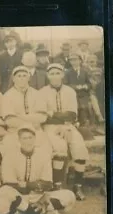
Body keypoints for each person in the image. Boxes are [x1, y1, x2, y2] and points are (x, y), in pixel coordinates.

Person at [0, 124, 76, 214]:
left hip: (39, 196)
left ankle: (24, 211)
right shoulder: (9, 156)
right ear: (19, 140)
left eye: (30, 138)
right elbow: (9, 184)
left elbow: (47, 184)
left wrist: (27, 185)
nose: (28, 141)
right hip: (18, 196)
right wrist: (34, 185)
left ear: (35, 138)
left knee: (69, 196)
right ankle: (41, 212)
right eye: (24, 138)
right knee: (4, 192)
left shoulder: (43, 154)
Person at [40, 63, 89, 200]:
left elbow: (72, 114)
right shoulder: (42, 92)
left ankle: (78, 185)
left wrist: (55, 115)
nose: (55, 76)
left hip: (68, 126)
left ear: (62, 75)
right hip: (50, 127)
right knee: (60, 148)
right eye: (52, 74)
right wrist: (58, 116)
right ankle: (57, 185)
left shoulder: (70, 91)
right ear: (48, 76)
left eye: (58, 73)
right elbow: (44, 115)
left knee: (79, 148)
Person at [0, 66, 51, 154]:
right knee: (10, 150)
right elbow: (10, 121)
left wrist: (20, 116)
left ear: (29, 78)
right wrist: (31, 120)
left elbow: (42, 118)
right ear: (13, 79)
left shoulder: (37, 94)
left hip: (36, 131)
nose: (22, 78)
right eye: (19, 76)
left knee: (46, 149)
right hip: (15, 132)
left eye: (24, 76)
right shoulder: (7, 96)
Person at [65, 52, 92, 127]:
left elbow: (89, 84)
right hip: (72, 95)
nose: (74, 62)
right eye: (72, 60)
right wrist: (76, 87)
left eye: (76, 60)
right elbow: (65, 84)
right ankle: (78, 124)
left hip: (84, 95)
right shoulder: (67, 72)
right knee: (77, 107)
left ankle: (85, 124)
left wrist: (86, 86)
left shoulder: (84, 72)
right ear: (70, 62)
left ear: (80, 61)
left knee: (84, 107)